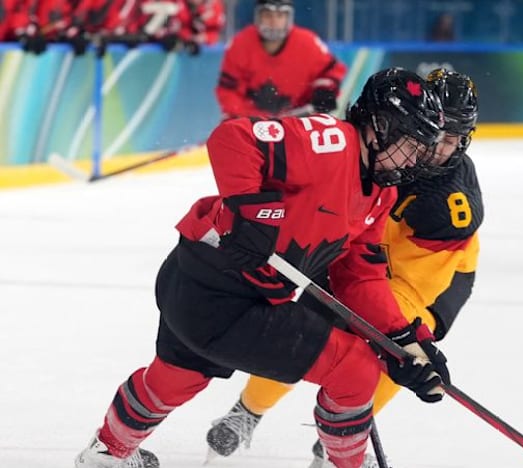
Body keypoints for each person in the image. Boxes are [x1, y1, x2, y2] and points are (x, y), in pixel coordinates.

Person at [74, 67, 450, 468]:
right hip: (221, 290)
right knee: (355, 370)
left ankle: (106, 453)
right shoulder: (330, 142)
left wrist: (405, 340)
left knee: (178, 374)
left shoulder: (380, 193)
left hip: (201, 282)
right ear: (379, 125)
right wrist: (252, 214)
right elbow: (233, 138)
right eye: (409, 143)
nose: (412, 159)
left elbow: (359, 276)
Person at [203, 68, 482, 468]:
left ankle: (347, 432)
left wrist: (385, 322)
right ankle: (247, 411)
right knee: (308, 327)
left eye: (452, 139)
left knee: (399, 350)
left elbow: (391, 268)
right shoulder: (391, 148)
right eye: (434, 134)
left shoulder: (449, 201)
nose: (437, 148)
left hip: (427, 276)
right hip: (363, 252)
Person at [216, 0, 347, 119]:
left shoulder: (308, 44)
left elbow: (333, 71)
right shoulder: (240, 44)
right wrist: (239, 116)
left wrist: (325, 91)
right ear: (258, 16)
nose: (274, 22)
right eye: (268, 15)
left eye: (280, 16)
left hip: (298, 123)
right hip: (250, 125)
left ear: (289, 18)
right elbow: (229, 92)